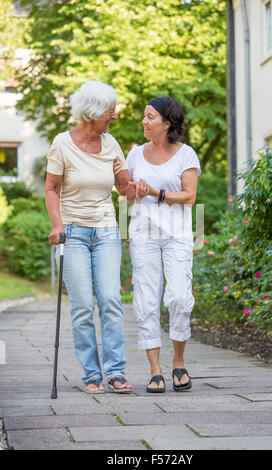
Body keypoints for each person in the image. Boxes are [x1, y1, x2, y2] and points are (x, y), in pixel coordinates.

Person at [45, 81, 132, 394]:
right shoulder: (62, 144)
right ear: (94, 112)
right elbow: (51, 188)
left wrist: (130, 184)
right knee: (82, 305)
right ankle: (92, 375)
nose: (115, 116)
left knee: (110, 300)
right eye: (111, 110)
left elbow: (124, 188)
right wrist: (57, 225)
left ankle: (116, 372)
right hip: (73, 233)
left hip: (107, 229)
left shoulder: (111, 144)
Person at [114, 96, 200, 393]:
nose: (144, 121)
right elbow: (126, 195)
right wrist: (133, 190)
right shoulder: (135, 155)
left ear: (167, 122)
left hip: (177, 235)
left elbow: (189, 196)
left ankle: (178, 361)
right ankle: (155, 370)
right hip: (143, 235)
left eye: (150, 117)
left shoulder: (186, 154)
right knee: (147, 301)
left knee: (178, 297)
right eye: (144, 116)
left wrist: (157, 192)